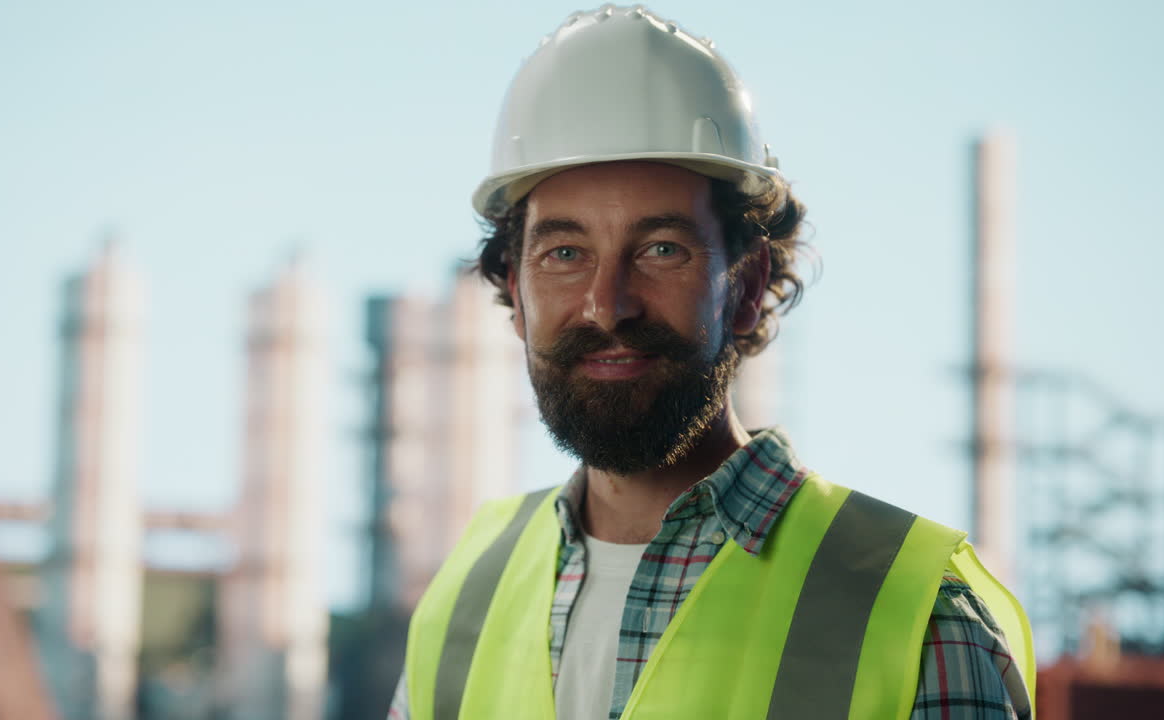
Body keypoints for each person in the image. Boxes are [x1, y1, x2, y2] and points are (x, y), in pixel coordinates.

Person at [388, 5, 1035, 719]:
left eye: (662, 249)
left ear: (748, 288)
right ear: (515, 288)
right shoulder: (462, 600)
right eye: (564, 254)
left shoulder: (917, 621)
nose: (608, 305)